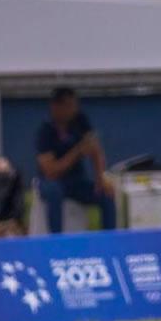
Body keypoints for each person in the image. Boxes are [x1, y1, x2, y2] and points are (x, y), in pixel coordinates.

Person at [35, 88, 116, 234]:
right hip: (50, 181)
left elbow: (95, 150)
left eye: (75, 105)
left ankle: (109, 238)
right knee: (54, 192)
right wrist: (77, 151)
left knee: (106, 194)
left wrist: (101, 178)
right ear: (55, 107)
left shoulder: (80, 120)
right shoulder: (45, 131)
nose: (73, 110)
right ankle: (56, 239)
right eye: (68, 106)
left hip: (76, 181)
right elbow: (51, 172)